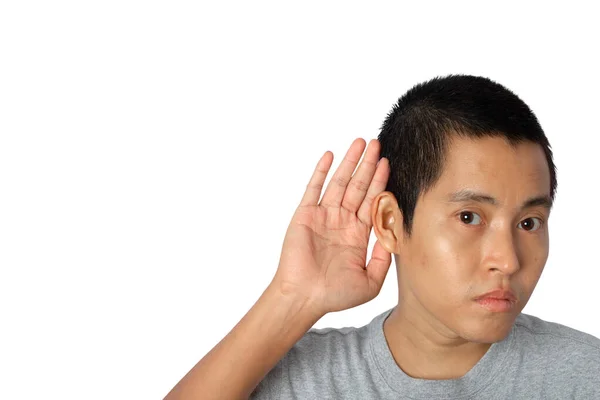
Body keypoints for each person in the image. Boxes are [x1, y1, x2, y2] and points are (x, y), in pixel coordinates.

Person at [164, 75, 600, 400]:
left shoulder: (585, 375)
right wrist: (292, 296)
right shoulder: (302, 380)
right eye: (470, 217)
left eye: (529, 223)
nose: (507, 260)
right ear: (391, 223)